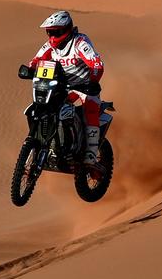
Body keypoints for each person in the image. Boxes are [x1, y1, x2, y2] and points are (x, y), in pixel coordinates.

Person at [26, 10, 105, 166]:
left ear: (66, 29)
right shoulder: (50, 46)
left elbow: (96, 64)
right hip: (61, 87)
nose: (52, 37)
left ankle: (91, 153)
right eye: (50, 32)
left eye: (56, 32)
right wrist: (29, 69)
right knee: (43, 107)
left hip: (84, 86)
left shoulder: (79, 42)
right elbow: (36, 60)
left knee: (90, 108)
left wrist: (93, 81)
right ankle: (50, 145)